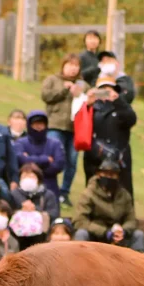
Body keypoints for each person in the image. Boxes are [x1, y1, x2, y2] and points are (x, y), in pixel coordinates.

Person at [72, 157, 144, 252]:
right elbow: (80, 221)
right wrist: (105, 232)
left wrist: (122, 231)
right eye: (105, 174)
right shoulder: (88, 194)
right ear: (99, 174)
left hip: (119, 237)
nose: (109, 177)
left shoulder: (124, 195)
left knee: (138, 235)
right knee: (81, 234)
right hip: (96, 237)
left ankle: (139, 265)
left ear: (118, 176)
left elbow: (131, 219)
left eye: (112, 175)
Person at [41, 54, 87, 202]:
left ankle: (64, 192)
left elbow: (89, 102)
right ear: (63, 65)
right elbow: (46, 96)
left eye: (76, 66)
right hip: (55, 125)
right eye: (69, 65)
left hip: (75, 129)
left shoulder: (83, 84)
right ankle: (48, 189)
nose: (73, 69)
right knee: (53, 158)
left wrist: (80, 94)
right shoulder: (52, 80)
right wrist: (64, 90)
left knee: (72, 161)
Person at [83, 76, 137, 194]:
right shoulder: (92, 107)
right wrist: (87, 106)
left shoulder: (121, 106)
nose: (106, 93)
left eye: (110, 89)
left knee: (123, 192)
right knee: (94, 192)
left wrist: (118, 101)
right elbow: (79, 127)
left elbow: (131, 119)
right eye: (103, 90)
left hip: (119, 156)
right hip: (95, 155)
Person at [14, 110, 65, 196]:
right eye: (35, 124)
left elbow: (58, 165)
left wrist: (30, 162)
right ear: (29, 125)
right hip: (25, 188)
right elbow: (20, 159)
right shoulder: (20, 143)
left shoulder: (55, 144)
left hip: (50, 187)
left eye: (41, 123)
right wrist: (46, 159)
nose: (39, 126)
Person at [11, 163, 60, 227]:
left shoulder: (48, 194)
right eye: (24, 176)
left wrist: (35, 210)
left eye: (31, 177)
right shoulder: (14, 194)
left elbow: (54, 214)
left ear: (38, 180)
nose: (27, 179)